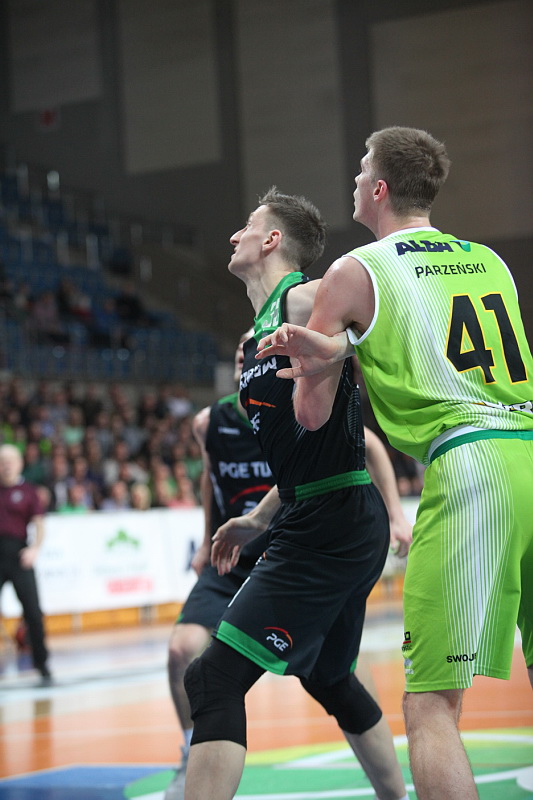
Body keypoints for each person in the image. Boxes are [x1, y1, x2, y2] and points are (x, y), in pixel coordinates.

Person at [255, 127, 533, 800]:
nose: (353, 181)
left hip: (473, 464)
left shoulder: (354, 271)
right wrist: (350, 346)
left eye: (360, 170)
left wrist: (320, 356)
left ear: (378, 189)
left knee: (430, 703)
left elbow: (312, 416)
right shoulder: (488, 260)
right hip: (526, 439)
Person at [182, 189, 411, 800]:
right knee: (330, 677)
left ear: (272, 240)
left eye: (247, 225)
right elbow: (301, 457)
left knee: (213, 677)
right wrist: (257, 517)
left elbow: (393, 313)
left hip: (333, 520)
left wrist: (344, 347)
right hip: (321, 510)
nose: (235, 235)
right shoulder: (256, 335)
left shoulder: (305, 298)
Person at [0, 444, 52, 683]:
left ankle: (42, 663)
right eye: (2, 461)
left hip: (19, 555)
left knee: (33, 612)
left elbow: (39, 523)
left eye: (10, 460)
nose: (6, 465)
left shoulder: (28, 491)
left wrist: (35, 549)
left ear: (20, 464)